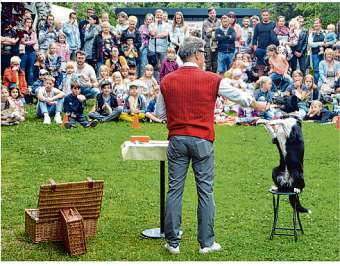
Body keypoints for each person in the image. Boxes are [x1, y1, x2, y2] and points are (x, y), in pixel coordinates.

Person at [157, 36, 267, 255]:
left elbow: (161, 114)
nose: (205, 58)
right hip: (203, 139)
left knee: (174, 190)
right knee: (205, 190)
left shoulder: (167, 80)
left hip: (177, 139)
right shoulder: (212, 79)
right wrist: (256, 104)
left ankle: (172, 242)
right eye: (204, 54)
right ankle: (206, 243)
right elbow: (238, 96)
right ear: (197, 54)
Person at [252, 9, 279, 76]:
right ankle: (260, 83)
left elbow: (277, 37)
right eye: (264, 15)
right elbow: (254, 38)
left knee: (271, 67)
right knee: (260, 68)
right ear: (261, 16)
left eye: (267, 15)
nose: (265, 16)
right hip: (260, 49)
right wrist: (255, 49)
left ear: (269, 15)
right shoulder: (258, 25)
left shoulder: (274, 25)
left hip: (271, 49)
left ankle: (270, 83)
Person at [148, 9, 170, 82]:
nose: (159, 17)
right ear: (155, 16)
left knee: (163, 65)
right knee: (154, 66)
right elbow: (152, 33)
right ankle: (155, 81)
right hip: (153, 48)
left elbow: (166, 34)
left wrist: (156, 36)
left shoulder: (166, 24)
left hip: (163, 48)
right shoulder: (151, 24)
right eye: (157, 15)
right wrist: (156, 23)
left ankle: (163, 80)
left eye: (160, 15)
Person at [17, 17, 38, 87]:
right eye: (27, 22)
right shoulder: (21, 31)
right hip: (24, 51)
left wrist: (26, 42)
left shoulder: (33, 31)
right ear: (24, 23)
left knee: (31, 69)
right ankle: (21, 85)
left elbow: (34, 41)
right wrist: (28, 41)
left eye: (30, 22)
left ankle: (30, 85)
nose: (28, 24)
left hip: (31, 51)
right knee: (22, 68)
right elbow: (21, 40)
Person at [202, 7, 220, 73]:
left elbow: (220, 31)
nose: (212, 14)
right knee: (208, 63)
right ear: (208, 14)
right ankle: (207, 77)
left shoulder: (219, 22)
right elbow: (208, 34)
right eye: (211, 13)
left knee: (215, 62)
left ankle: (214, 77)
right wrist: (215, 30)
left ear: (215, 14)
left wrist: (212, 29)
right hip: (208, 45)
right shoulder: (205, 22)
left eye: (213, 13)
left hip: (217, 45)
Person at [308, 18, 325, 83]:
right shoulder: (311, 34)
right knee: (316, 70)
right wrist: (321, 43)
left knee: (324, 69)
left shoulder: (324, 32)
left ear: (320, 24)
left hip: (324, 54)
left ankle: (323, 83)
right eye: (315, 23)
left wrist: (317, 44)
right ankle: (317, 84)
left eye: (317, 23)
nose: (316, 24)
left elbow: (327, 42)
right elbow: (311, 44)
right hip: (315, 54)